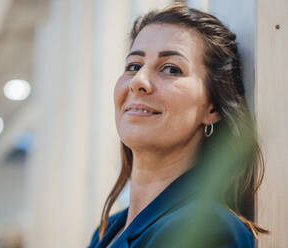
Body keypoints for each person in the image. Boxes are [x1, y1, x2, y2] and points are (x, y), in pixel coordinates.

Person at [87, 3, 269, 248]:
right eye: (134, 66)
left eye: (171, 69)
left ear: (212, 107)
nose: (139, 81)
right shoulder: (107, 230)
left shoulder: (209, 229)